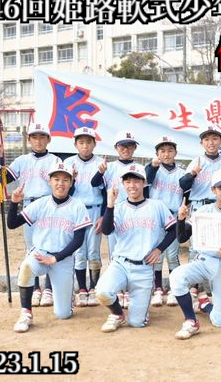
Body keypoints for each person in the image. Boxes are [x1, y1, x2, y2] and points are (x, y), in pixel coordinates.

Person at [7, 162, 91, 332]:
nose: (61, 183)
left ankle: (67, 297)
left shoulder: (77, 206)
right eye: (56, 179)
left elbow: (78, 241)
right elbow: (12, 224)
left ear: (71, 182)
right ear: (49, 181)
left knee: (63, 314)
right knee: (26, 268)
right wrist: (14, 203)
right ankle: (26, 314)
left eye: (65, 180)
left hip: (63, 259)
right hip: (40, 254)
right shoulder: (41, 204)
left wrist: (55, 258)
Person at [97, 163, 177, 332]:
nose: (132, 185)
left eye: (136, 181)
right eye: (127, 181)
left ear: (144, 183)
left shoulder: (157, 206)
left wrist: (159, 249)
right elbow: (106, 230)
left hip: (144, 268)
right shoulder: (118, 208)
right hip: (120, 264)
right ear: (123, 184)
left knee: (137, 322)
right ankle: (117, 314)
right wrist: (110, 205)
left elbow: (173, 230)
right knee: (102, 291)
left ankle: (139, 308)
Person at [170, 170, 221, 339]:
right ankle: (191, 320)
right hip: (204, 262)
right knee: (176, 276)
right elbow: (182, 237)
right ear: (213, 190)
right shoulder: (203, 211)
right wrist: (181, 220)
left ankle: (205, 305)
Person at [5, 122, 61, 307]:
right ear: (29, 139)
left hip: (48, 205)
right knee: (32, 247)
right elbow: (5, 178)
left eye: (42, 137)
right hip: (29, 205)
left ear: (48, 140)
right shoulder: (22, 160)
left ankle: (48, 289)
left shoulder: (54, 160)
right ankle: (36, 288)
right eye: (34, 137)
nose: (38, 141)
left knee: (51, 246)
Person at [178, 126, 221, 311]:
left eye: (215, 138)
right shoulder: (197, 161)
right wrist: (192, 173)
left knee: (217, 248)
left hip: (220, 207)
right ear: (201, 143)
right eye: (207, 139)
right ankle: (195, 290)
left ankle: (208, 292)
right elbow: (183, 185)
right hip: (199, 206)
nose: (211, 142)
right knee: (196, 249)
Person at [91, 130, 141, 308]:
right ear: (116, 147)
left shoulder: (139, 167)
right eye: (122, 146)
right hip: (115, 211)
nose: (126, 149)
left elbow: (146, 191)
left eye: (129, 145)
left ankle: (131, 289)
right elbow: (95, 185)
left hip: (135, 212)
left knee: (133, 251)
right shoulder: (109, 166)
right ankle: (118, 289)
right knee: (115, 253)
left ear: (134, 148)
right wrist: (100, 172)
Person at [64, 127, 105, 307]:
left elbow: (105, 192)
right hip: (76, 210)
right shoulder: (69, 163)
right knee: (79, 251)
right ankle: (82, 289)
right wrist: (72, 179)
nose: (85, 146)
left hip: (95, 209)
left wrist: (103, 216)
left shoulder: (101, 163)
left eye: (89, 142)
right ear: (75, 145)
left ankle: (94, 288)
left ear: (94, 144)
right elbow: (66, 192)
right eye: (81, 142)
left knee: (94, 251)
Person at [146, 136, 185, 307]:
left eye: (170, 150)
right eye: (162, 151)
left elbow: (187, 195)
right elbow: (147, 179)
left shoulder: (182, 173)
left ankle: (175, 289)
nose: (166, 154)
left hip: (174, 215)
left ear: (176, 152)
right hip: (156, 216)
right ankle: (158, 289)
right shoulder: (152, 169)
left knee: (172, 255)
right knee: (157, 254)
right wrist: (153, 166)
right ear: (157, 153)